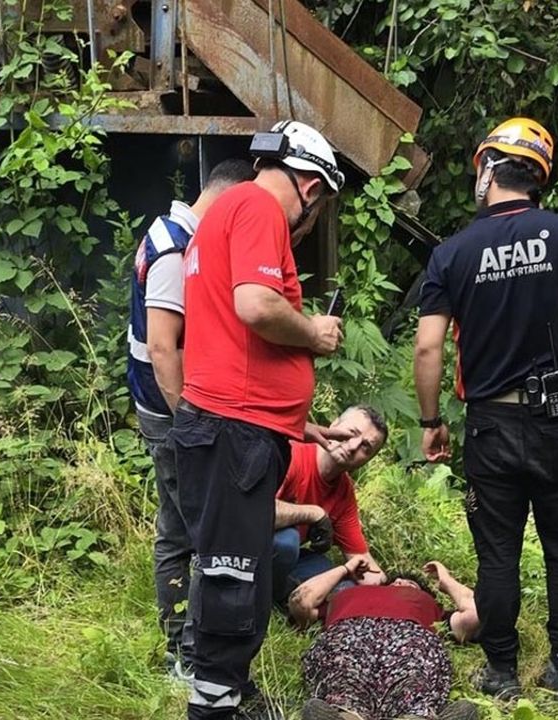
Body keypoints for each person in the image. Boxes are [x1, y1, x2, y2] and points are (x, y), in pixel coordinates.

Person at [413, 117, 558, 701]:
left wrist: (431, 422)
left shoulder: (453, 253)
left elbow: (428, 347)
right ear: (538, 177)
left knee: (497, 551)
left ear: (486, 168)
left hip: (491, 424)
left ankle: (501, 671)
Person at [172, 120, 349, 720]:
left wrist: (299, 423)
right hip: (233, 432)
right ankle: (214, 707)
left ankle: (232, 693)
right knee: (233, 576)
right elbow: (255, 306)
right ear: (310, 186)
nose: (311, 220)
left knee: (232, 567)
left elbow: (232, 345)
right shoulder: (258, 207)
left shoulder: (223, 214)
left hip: (235, 424)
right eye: (319, 207)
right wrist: (315, 333)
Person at [127, 159, 256, 675]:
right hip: (170, 411)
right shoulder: (176, 250)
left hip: (162, 406)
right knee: (197, 534)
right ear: (229, 199)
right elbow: (163, 348)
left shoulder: (169, 230)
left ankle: (177, 647)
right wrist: (190, 422)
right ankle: (189, 655)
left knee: (177, 527)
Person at [292, 559, 481, 720]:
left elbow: (475, 614)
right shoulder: (347, 596)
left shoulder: (431, 606)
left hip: (411, 640)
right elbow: (300, 601)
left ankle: (413, 716)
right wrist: (345, 569)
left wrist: (446, 582)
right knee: (344, 672)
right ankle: (348, 715)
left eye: (410, 584)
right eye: (395, 581)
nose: (400, 582)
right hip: (349, 635)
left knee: (413, 677)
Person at [272, 404, 390, 600]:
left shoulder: (344, 492)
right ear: (333, 425)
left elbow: (361, 560)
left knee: (337, 579)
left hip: (283, 559)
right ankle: (270, 595)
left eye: (365, 447)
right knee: (287, 542)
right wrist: (314, 513)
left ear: (368, 460)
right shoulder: (291, 453)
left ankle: (291, 592)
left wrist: (393, 593)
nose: (352, 447)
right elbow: (254, 512)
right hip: (240, 542)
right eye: (351, 433)